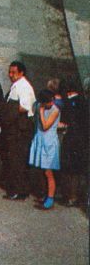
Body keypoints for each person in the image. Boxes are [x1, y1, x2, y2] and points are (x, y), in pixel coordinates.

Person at [1, 60, 37, 201]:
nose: (11, 75)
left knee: (17, 160)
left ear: (21, 73)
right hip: (16, 127)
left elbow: (24, 106)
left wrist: (7, 112)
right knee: (15, 158)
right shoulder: (18, 85)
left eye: (14, 73)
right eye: (9, 72)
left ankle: (19, 190)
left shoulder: (24, 87)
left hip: (20, 128)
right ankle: (18, 188)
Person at [57, 76, 88, 207]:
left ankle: (70, 196)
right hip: (84, 140)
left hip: (72, 139)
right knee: (80, 169)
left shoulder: (69, 104)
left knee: (70, 169)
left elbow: (65, 122)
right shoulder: (84, 101)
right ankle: (78, 196)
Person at [29, 87, 61, 209]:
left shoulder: (55, 110)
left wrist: (41, 113)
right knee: (42, 170)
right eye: (49, 101)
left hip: (49, 142)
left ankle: (50, 198)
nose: (51, 103)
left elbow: (46, 125)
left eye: (52, 100)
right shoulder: (38, 105)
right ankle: (45, 194)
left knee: (48, 172)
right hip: (40, 140)